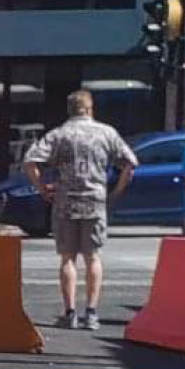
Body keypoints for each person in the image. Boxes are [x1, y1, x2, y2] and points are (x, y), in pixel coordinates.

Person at [23, 88, 138, 331]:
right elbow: (130, 163)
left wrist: (42, 188)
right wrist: (115, 191)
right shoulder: (107, 133)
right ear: (90, 108)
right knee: (93, 257)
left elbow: (30, 161)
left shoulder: (59, 134)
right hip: (95, 200)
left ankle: (70, 312)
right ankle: (92, 312)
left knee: (67, 258)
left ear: (70, 109)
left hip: (66, 201)